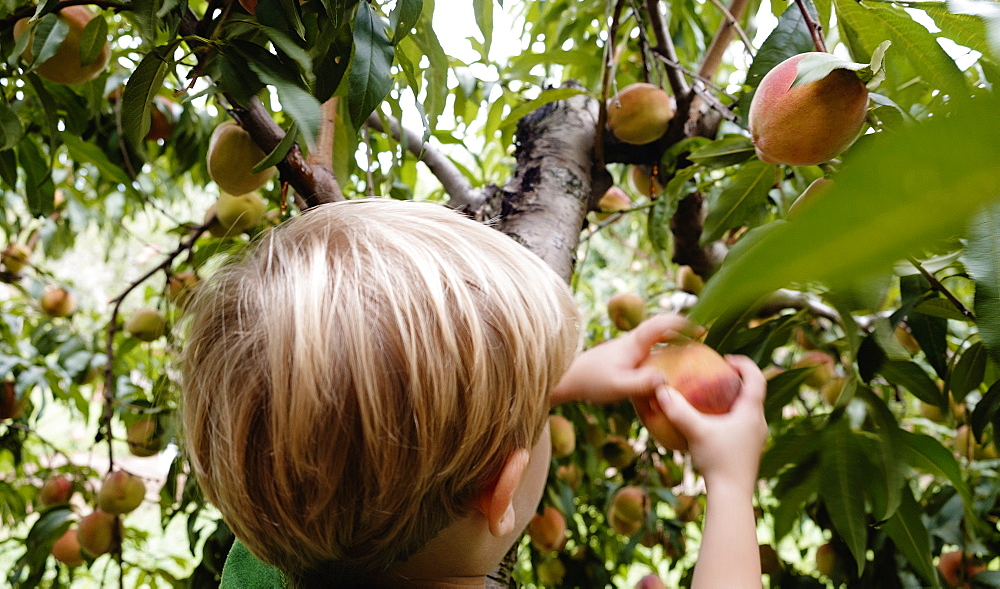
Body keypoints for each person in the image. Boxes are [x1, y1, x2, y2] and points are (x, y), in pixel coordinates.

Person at [180, 198, 766, 588]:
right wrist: (732, 482)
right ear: (500, 491)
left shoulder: (274, 541)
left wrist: (555, 379)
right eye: (536, 414)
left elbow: (354, 424)